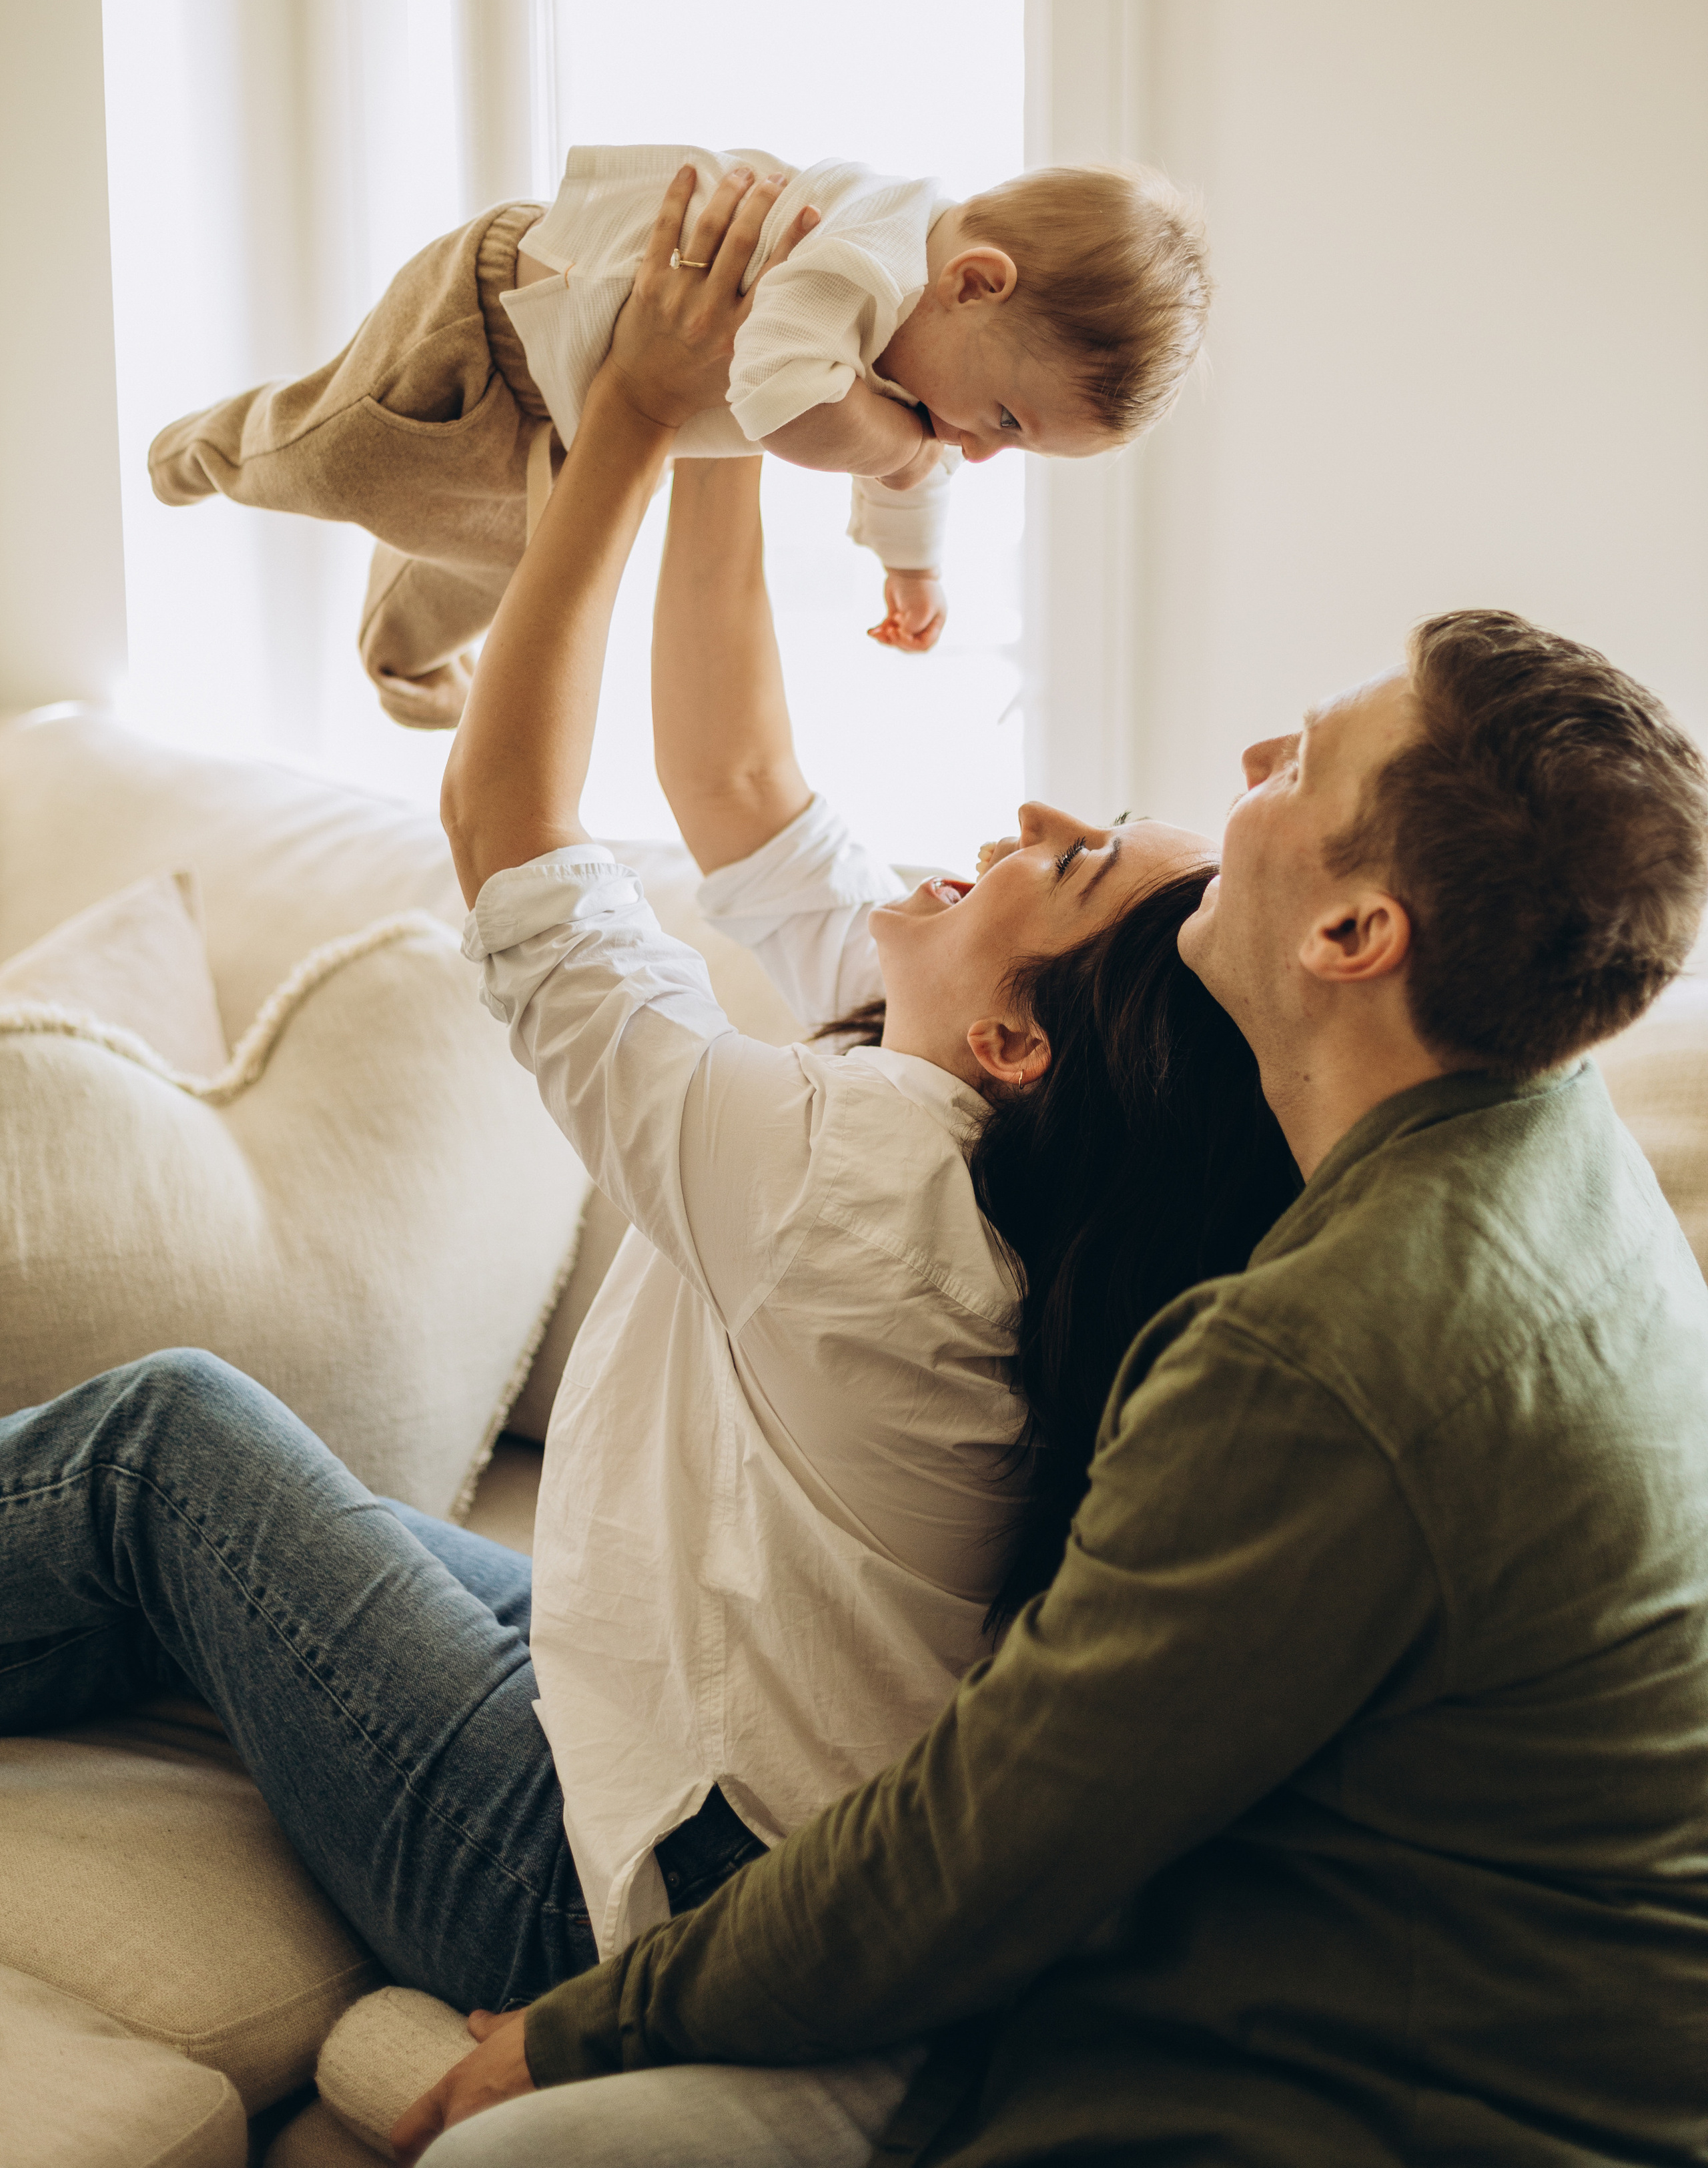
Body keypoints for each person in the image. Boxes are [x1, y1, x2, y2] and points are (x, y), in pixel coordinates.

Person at [0, 171, 1285, 2055]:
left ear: (1023, 1043)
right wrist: (724, 420)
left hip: (593, 1890)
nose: (1018, 821)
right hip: (641, 1716)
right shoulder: (998, 1125)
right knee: (250, 1512)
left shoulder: (863, 1191)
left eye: (1073, 858)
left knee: (163, 1444)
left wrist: (615, 419)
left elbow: (510, 832)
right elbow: (743, 776)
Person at [399, 601, 1708, 2168]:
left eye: (1295, 764)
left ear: (1351, 936)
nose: (1244, 767)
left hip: (1373, 2089)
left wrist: (572, 2031)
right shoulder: (1550, 1153)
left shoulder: (1325, 1356)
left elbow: (980, 1845)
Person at [146, 147, 1208, 720]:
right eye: (1008, 422)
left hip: (558, 411)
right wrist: (895, 447)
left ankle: (397, 655)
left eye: (1016, 446)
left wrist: (914, 569)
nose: (979, 451)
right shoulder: (864, 254)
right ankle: (221, 446)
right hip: (492, 311)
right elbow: (782, 401)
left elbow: (913, 450)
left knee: (504, 560)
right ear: (976, 283)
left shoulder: (934, 350)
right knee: (345, 456)